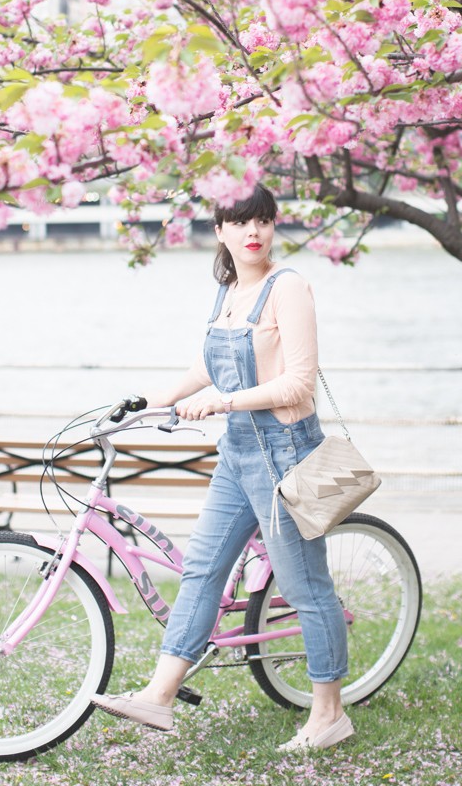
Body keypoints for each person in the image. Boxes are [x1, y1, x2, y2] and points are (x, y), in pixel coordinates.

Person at [91, 184, 351, 751]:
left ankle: (329, 713)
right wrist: (154, 397)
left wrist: (224, 402)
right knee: (202, 569)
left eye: (262, 220)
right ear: (221, 230)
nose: (253, 231)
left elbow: (298, 383)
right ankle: (158, 699)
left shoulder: (289, 287)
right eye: (241, 222)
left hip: (285, 451)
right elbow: (209, 367)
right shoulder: (229, 290)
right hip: (237, 453)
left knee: (306, 587)